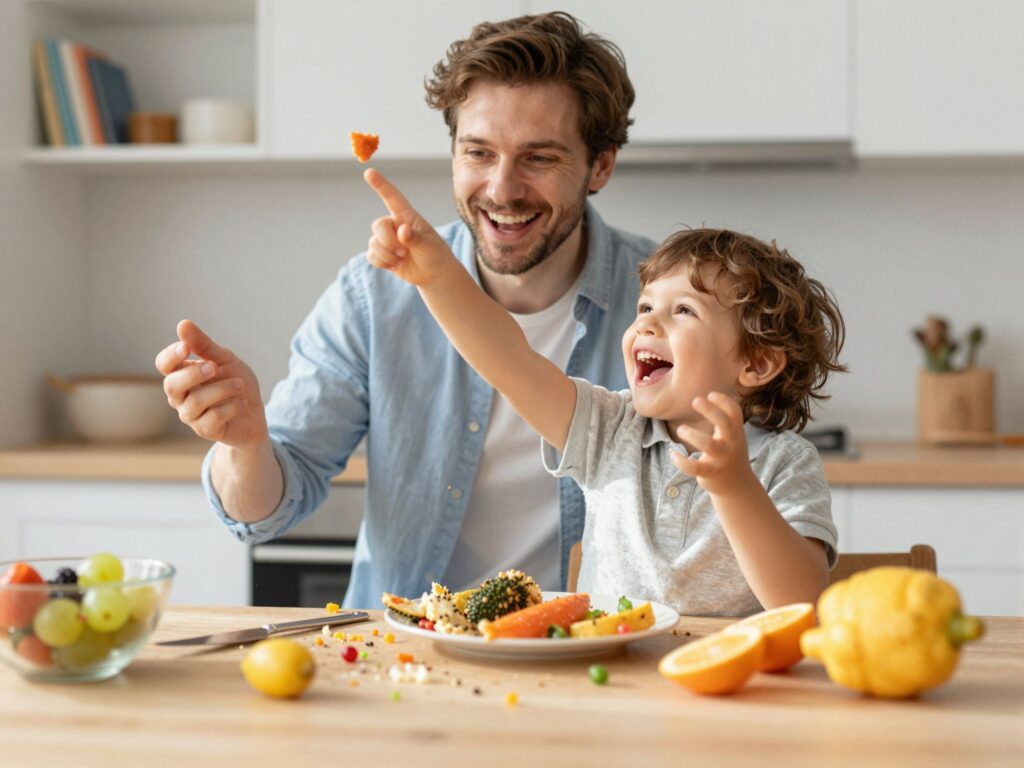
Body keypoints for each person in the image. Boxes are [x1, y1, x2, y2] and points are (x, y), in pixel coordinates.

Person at [153, 12, 657, 607]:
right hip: (411, 662)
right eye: (478, 152)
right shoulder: (375, 296)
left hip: (593, 652)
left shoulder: (668, 303)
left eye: (539, 158)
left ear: (600, 164)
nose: (501, 189)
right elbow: (262, 511)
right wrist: (243, 444)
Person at [363, 168, 846, 615]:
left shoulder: (785, 463)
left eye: (683, 311)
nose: (647, 324)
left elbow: (800, 602)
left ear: (756, 362)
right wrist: (438, 277)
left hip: (731, 688)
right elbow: (509, 361)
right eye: (644, 307)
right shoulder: (612, 429)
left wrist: (735, 486)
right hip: (611, 680)